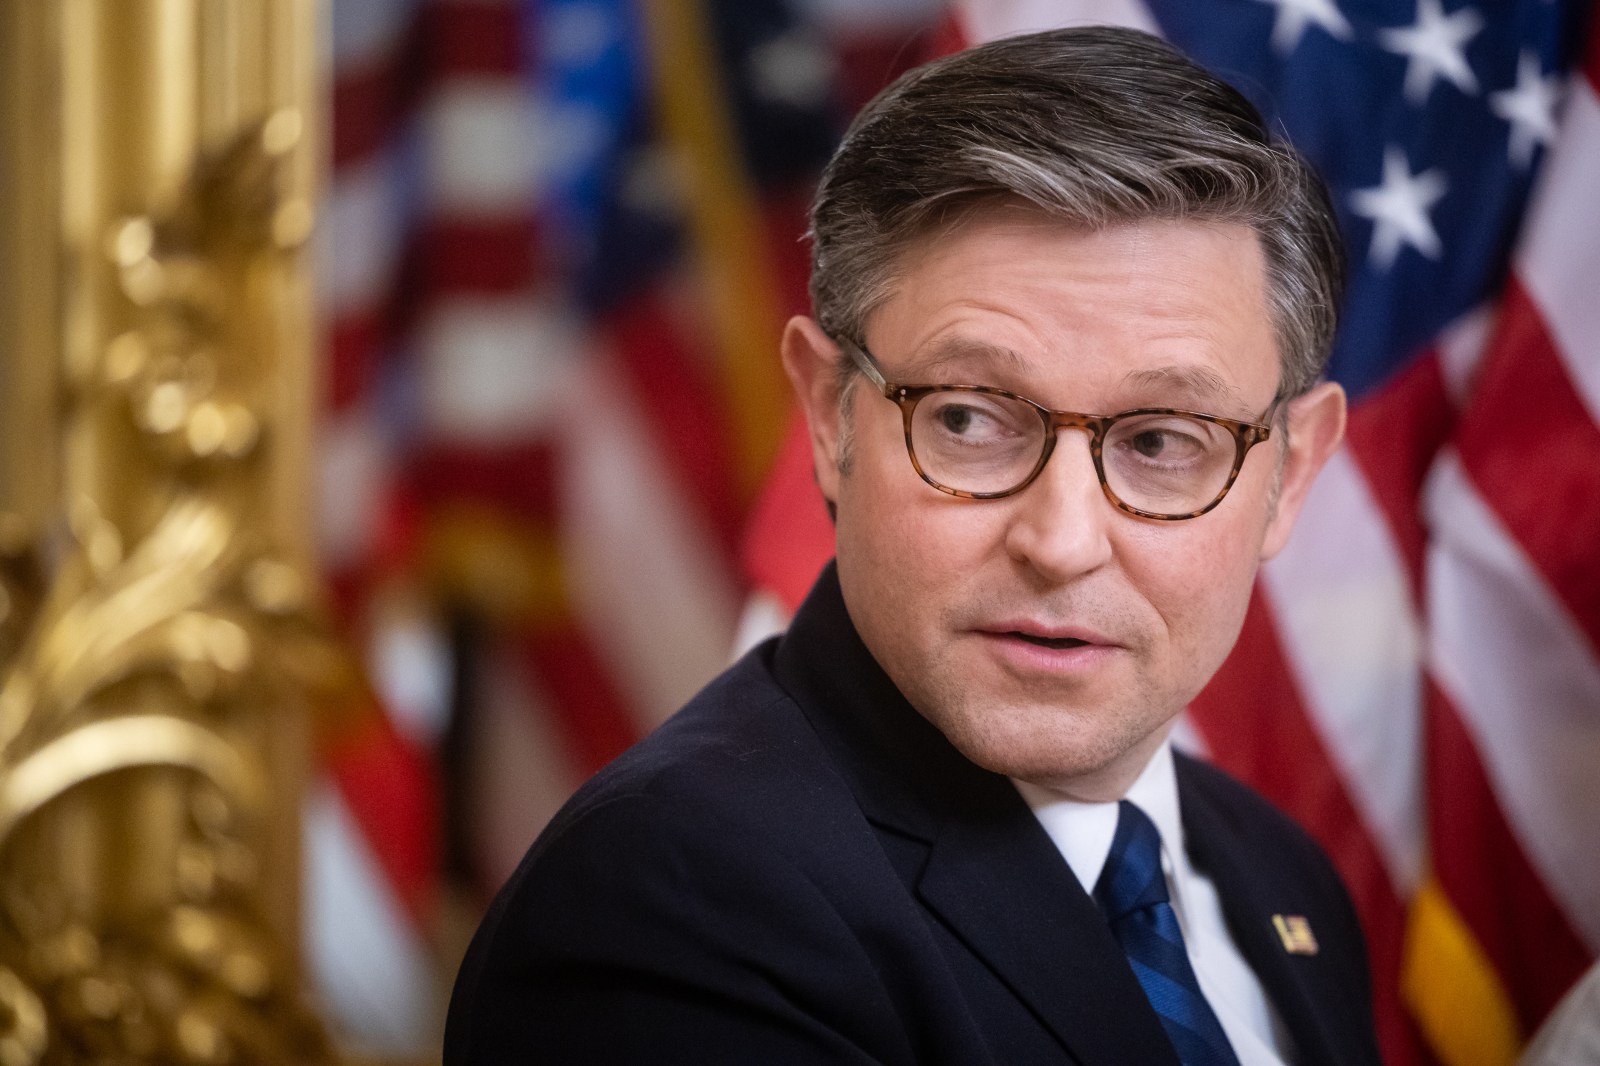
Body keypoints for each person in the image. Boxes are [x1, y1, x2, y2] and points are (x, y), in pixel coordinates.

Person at [445, 25, 1380, 1066]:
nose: (1062, 542)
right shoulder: (666, 905)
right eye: (970, 420)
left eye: (1163, 440)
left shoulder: (1279, 878)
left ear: (1290, 474)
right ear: (830, 415)